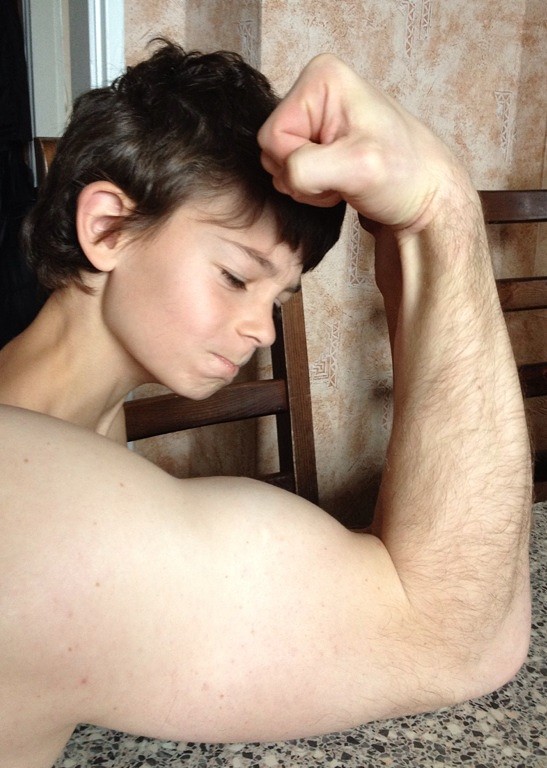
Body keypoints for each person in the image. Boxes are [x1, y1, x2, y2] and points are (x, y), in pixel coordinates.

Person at [0, 41, 532, 768]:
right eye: (233, 275)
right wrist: (439, 205)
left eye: (278, 298)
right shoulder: (33, 500)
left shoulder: (75, 424)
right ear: (108, 228)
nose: (262, 329)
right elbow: (458, 635)